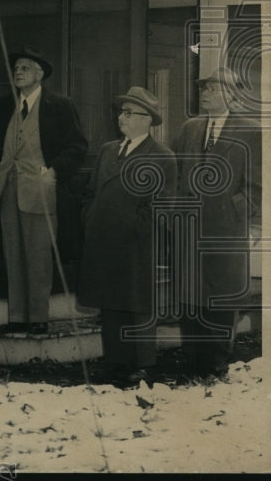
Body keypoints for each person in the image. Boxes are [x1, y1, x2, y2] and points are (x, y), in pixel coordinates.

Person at [77, 86, 176, 387]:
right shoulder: (109, 149)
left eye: (129, 112)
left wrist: (133, 226)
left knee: (137, 304)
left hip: (135, 245)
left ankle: (141, 364)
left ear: (147, 120)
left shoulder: (162, 157)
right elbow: (92, 192)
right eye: (121, 111)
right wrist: (90, 216)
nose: (122, 117)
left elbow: (162, 207)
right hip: (103, 240)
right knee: (110, 303)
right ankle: (115, 361)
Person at [0, 46, 87, 336]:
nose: (18, 72)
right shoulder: (4, 105)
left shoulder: (60, 105)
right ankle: (18, 317)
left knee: (39, 255)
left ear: (40, 74)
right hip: (7, 191)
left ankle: (39, 318)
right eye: (16, 68)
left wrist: (52, 171)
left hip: (41, 193)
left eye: (25, 68)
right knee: (12, 254)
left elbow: (78, 146)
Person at [171, 67, 261, 378]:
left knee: (221, 296)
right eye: (203, 88)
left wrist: (241, 216)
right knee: (190, 295)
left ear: (233, 95)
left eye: (213, 88)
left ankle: (216, 364)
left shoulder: (252, 130)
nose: (205, 93)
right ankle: (194, 360)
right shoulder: (189, 128)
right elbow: (175, 172)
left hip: (226, 229)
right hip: (188, 227)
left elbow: (258, 184)